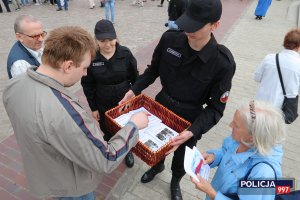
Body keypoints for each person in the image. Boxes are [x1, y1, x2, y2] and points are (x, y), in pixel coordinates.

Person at [3, 26, 149, 200]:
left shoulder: (14, 84)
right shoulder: (65, 112)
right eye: (85, 67)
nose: (86, 73)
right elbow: (106, 159)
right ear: (68, 65)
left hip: (45, 171)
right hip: (71, 184)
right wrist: (133, 125)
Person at [119, 0, 236, 199]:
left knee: (182, 157)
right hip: (162, 105)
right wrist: (134, 89)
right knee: (156, 148)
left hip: (189, 118)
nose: (187, 29)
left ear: (215, 25)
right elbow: (153, 70)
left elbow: (215, 109)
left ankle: (175, 181)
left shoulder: (222, 63)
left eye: (196, 26)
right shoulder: (169, 40)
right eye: (187, 21)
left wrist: (192, 131)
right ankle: (157, 167)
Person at [190, 100, 286, 200]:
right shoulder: (241, 139)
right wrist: (214, 156)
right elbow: (226, 151)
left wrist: (211, 193)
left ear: (252, 136)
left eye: (236, 125)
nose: (230, 125)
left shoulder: (263, 173)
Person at [81, 19, 139, 168]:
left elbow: (135, 78)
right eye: (102, 40)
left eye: (111, 40)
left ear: (116, 37)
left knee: (126, 127)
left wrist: (135, 99)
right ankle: (110, 150)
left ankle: (128, 150)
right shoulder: (92, 57)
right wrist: (93, 108)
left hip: (124, 101)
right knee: (107, 129)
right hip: (103, 102)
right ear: (96, 40)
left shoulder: (125, 53)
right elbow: (87, 85)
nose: (107, 44)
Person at [254, 29, 300, 109]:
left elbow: (256, 78)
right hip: (280, 109)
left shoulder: (270, 58)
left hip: (260, 104)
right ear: (298, 46)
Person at [7, 15, 46, 79]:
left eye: (42, 34)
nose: (41, 39)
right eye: (35, 36)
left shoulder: (33, 46)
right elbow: (27, 88)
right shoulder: (20, 65)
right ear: (19, 37)